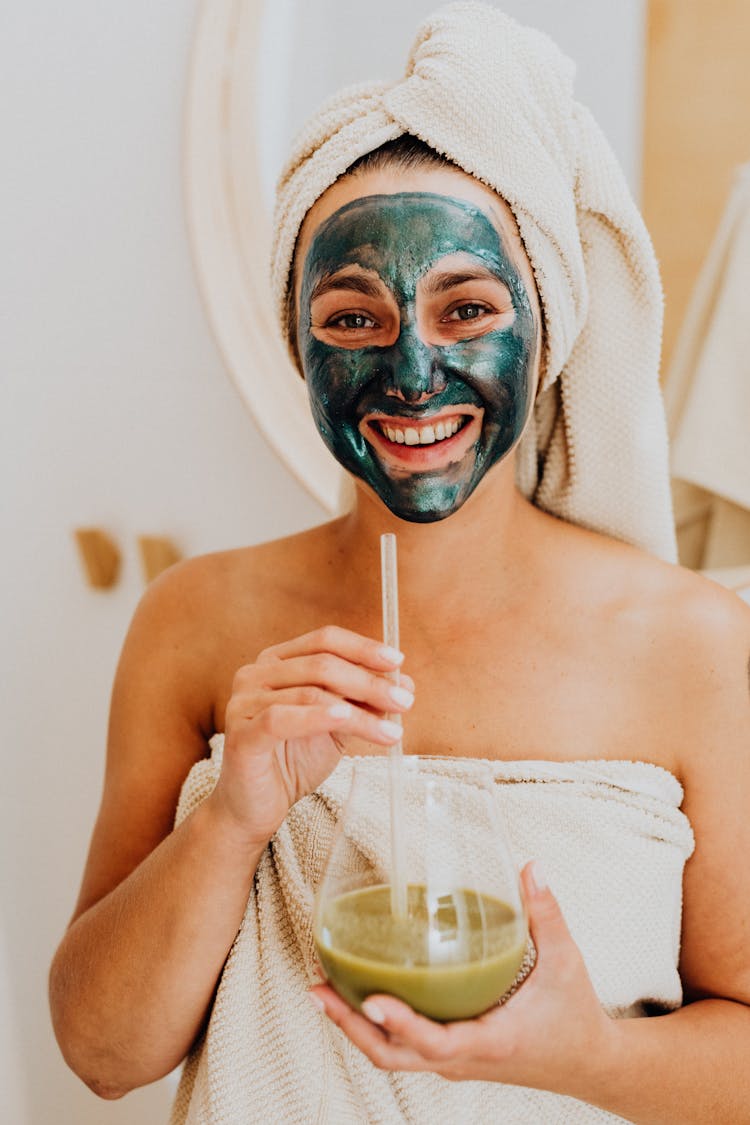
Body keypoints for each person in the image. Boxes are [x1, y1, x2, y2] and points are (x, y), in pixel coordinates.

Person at [49, 3, 750, 1122]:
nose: (413, 372)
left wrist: (586, 1057)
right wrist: (234, 818)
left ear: (547, 323)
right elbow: (100, 1051)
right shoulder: (194, 622)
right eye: (354, 319)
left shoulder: (693, 645)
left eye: (466, 308)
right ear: (300, 343)